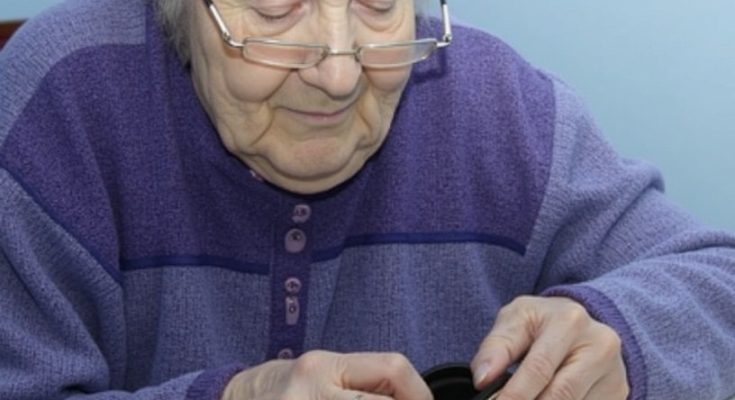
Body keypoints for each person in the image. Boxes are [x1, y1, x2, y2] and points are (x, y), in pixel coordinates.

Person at [0, 0, 733, 399]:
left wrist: (618, 339)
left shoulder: (501, 109)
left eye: (378, 3)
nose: (341, 74)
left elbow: (716, 282)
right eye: (277, 7)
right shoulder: (55, 104)